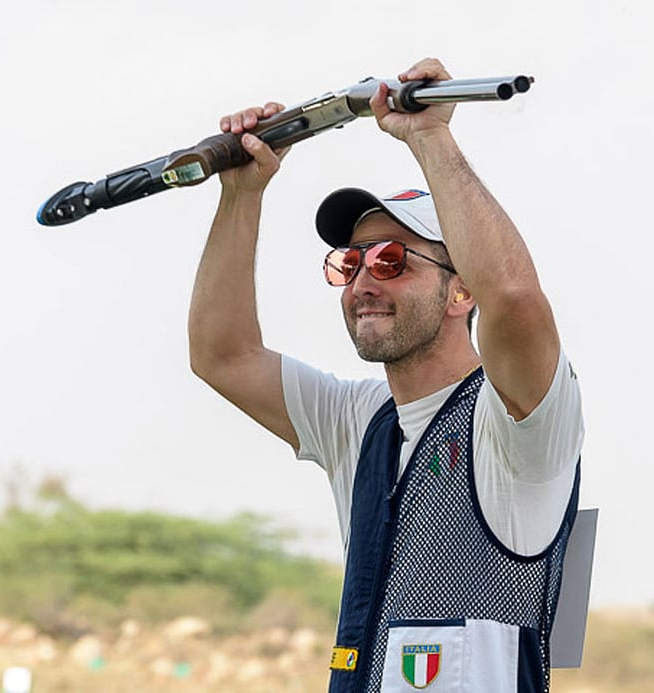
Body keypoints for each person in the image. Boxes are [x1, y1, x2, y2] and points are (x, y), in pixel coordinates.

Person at [188, 57, 583, 693]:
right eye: (351, 263)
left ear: (461, 294)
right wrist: (242, 193)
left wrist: (430, 138)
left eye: (394, 260)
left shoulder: (515, 421)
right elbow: (222, 354)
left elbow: (512, 296)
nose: (365, 281)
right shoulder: (358, 419)